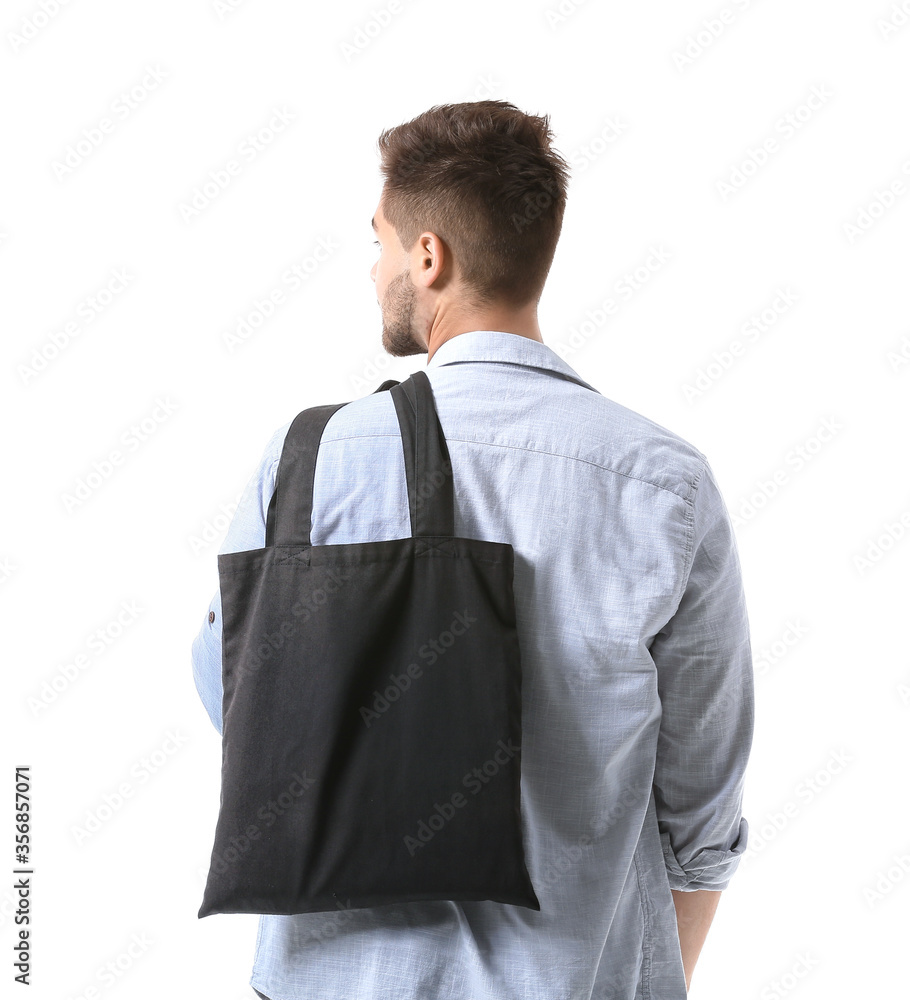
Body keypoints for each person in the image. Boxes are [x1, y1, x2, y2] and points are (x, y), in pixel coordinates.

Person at [191, 99, 754, 1000]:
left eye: (380, 241)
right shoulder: (664, 485)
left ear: (429, 256)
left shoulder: (311, 459)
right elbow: (700, 808)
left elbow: (239, 697)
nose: (374, 267)